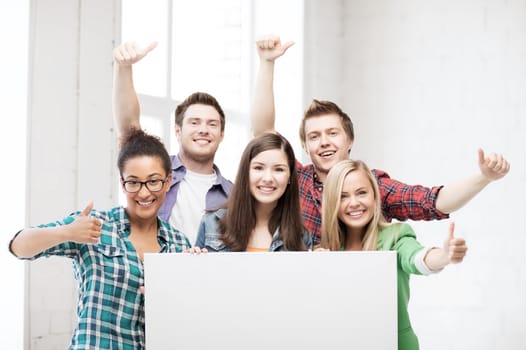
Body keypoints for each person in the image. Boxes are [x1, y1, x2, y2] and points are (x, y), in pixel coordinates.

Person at [251, 35, 510, 245]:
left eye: (332, 133)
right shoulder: (297, 180)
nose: (324, 142)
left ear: (349, 139)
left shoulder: (371, 185)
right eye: (314, 137)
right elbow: (263, 135)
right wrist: (267, 63)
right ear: (305, 146)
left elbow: (432, 202)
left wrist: (483, 177)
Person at [9, 128, 191, 349]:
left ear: (168, 181)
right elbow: (18, 247)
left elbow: (184, 318)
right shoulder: (93, 226)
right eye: (133, 182)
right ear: (123, 183)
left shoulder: (180, 244)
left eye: (153, 181)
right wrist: (67, 232)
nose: (144, 193)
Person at [321, 159, 468, 349]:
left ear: (374, 196)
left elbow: (415, 257)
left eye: (362, 193)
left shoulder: (396, 235)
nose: (354, 203)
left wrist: (444, 256)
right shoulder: (327, 249)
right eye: (343, 196)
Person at [112, 42, 233, 245]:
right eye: (194, 122)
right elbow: (128, 130)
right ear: (178, 131)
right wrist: (123, 68)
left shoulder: (234, 194)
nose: (203, 129)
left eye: (212, 124)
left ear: (221, 134)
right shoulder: (154, 172)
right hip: (152, 272)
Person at [195, 132, 312, 252]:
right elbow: (195, 270)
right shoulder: (211, 224)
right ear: (246, 173)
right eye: (258, 168)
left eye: (279, 169)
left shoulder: (302, 236)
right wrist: (191, 259)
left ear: (289, 177)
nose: (268, 178)